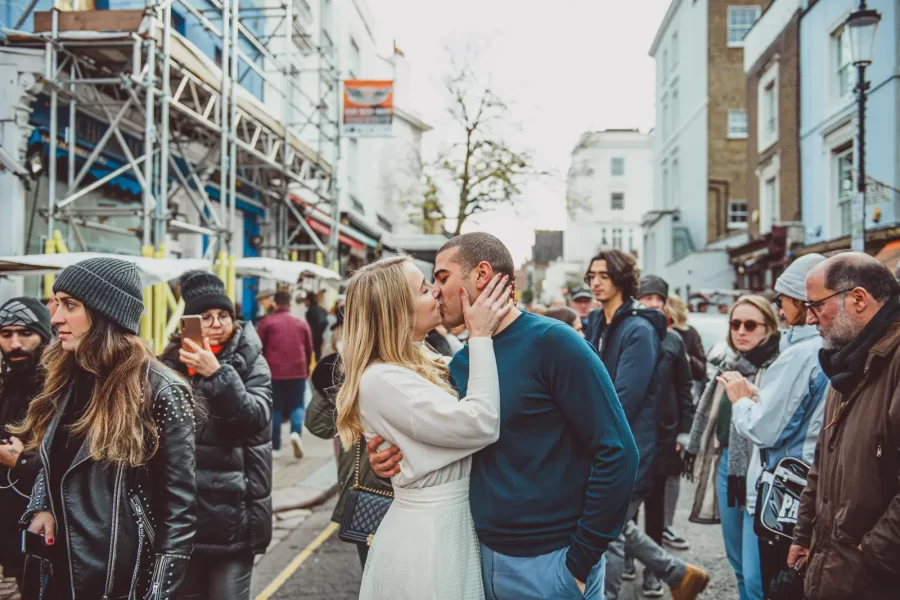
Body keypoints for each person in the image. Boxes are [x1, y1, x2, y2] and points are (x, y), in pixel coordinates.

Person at [368, 233, 641, 600]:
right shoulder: (463, 362)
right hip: (474, 554)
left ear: (481, 274)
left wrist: (580, 561)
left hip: (551, 560)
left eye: (443, 277)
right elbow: (450, 439)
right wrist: (384, 456)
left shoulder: (554, 342)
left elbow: (618, 451)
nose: (435, 290)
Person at [11, 257, 196, 600]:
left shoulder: (162, 390)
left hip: (118, 577)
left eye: (70, 305)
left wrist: (157, 593)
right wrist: (42, 505)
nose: (56, 318)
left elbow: (180, 511)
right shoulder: (67, 373)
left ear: (104, 313)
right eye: (56, 303)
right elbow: (54, 459)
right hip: (57, 568)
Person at [337, 257, 511, 598]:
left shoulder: (419, 361)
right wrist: (480, 335)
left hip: (446, 526)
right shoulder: (382, 379)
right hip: (430, 540)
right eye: (424, 288)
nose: (437, 292)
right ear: (397, 310)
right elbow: (481, 423)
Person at [583, 253, 708, 600]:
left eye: (604, 275)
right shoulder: (598, 323)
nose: (595, 282)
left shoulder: (637, 329)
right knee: (614, 527)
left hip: (627, 447)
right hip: (604, 444)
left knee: (605, 533)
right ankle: (679, 574)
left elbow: (623, 398)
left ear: (621, 280)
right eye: (591, 275)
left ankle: (665, 578)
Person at [787, 253, 900, 600]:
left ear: (858, 299)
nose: (808, 319)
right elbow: (824, 461)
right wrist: (804, 535)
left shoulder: (888, 362)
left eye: (816, 305)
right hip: (839, 566)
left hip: (875, 576)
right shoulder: (848, 364)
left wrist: (875, 550)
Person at [716, 254, 828, 596]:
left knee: (762, 581)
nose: (781, 307)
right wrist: (758, 396)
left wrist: (742, 399)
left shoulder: (800, 353)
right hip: (800, 485)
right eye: (735, 325)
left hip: (782, 488)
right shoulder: (825, 347)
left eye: (782, 300)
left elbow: (762, 430)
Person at [161, 271, 273, 600]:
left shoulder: (252, 361)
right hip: (185, 520)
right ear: (189, 323)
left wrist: (217, 373)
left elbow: (255, 418)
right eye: (205, 317)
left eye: (223, 315)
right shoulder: (170, 363)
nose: (216, 323)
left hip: (234, 518)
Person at [686, 296, 780, 600]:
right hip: (727, 465)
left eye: (750, 325)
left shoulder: (778, 368)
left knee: (757, 572)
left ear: (768, 328)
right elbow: (710, 419)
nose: (741, 331)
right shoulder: (727, 367)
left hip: (761, 471)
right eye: (735, 324)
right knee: (736, 559)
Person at [632, 275, 696, 597]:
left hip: (663, 435)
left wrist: (684, 430)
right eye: (647, 298)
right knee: (626, 504)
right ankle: (628, 555)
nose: (652, 303)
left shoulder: (673, 340)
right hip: (631, 434)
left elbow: (684, 388)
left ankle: (653, 572)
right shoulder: (628, 335)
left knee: (655, 506)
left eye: (658, 298)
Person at [0, 298, 52, 591]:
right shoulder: (6, 384)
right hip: (9, 524)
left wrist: (20, 461)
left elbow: (72, 460)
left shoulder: (58, 388)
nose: (15, 343)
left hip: (44, 523)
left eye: (25, 333)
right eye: (6, 334)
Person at [258, 290, 313, 458]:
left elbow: (258, 347)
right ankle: (295, 432)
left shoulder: (267, 322)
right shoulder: (301, 322)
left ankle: (275, 448)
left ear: (276, 303)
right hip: (298, 369)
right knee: (297, 405)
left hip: (274, 372)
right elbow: (309, 348)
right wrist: (307, 368)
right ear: (290, 303)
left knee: (275, 409)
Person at [667, 294, 707, 391]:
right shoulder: (655, 332)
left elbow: (701, 370)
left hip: (684, 391)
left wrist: (687, 358)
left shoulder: (690, 333)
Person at [304, 292, 329, 362]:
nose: (304, 303)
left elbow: (311, 328)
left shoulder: (309, 312)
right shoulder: (324, 310)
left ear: (308, 301)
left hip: (315, 339)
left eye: (305, 301)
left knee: (316, 357)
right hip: (325, 339)